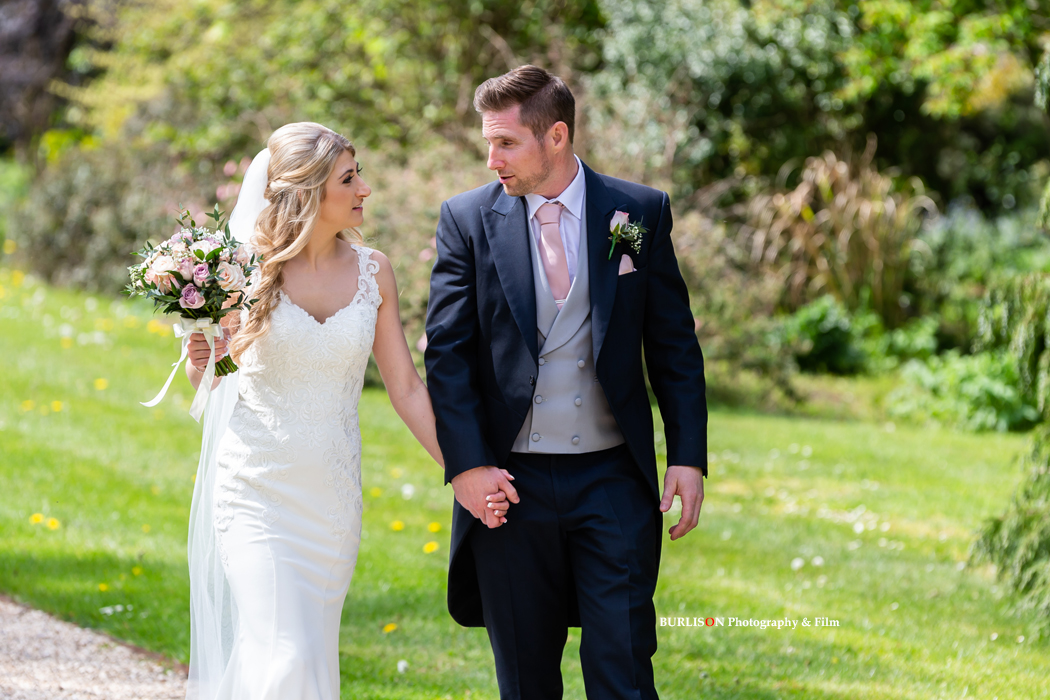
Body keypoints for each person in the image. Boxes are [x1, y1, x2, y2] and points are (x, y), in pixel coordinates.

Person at [182, 122, 513, 700]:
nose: (365, 189)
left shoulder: (373, 271)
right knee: (284, 653)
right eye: (348, 178)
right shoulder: (240, 270)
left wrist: (465, 468)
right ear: (307, 190)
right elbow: (211, 378)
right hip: (256, 495)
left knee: (303, 657)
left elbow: (406, 388)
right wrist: (201, 356)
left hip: (331, 506)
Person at [425, 66, 708, 699]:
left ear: (556, 136)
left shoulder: (636, 212)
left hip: (613, 479)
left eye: (506, 143)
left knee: (623, 671)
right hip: (510, 486)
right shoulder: (467, 219)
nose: (491, 159)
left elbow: (673, 346)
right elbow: (447, 356)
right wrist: (467, 467)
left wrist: (687, 456)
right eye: (488, 143)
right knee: (526, 682)